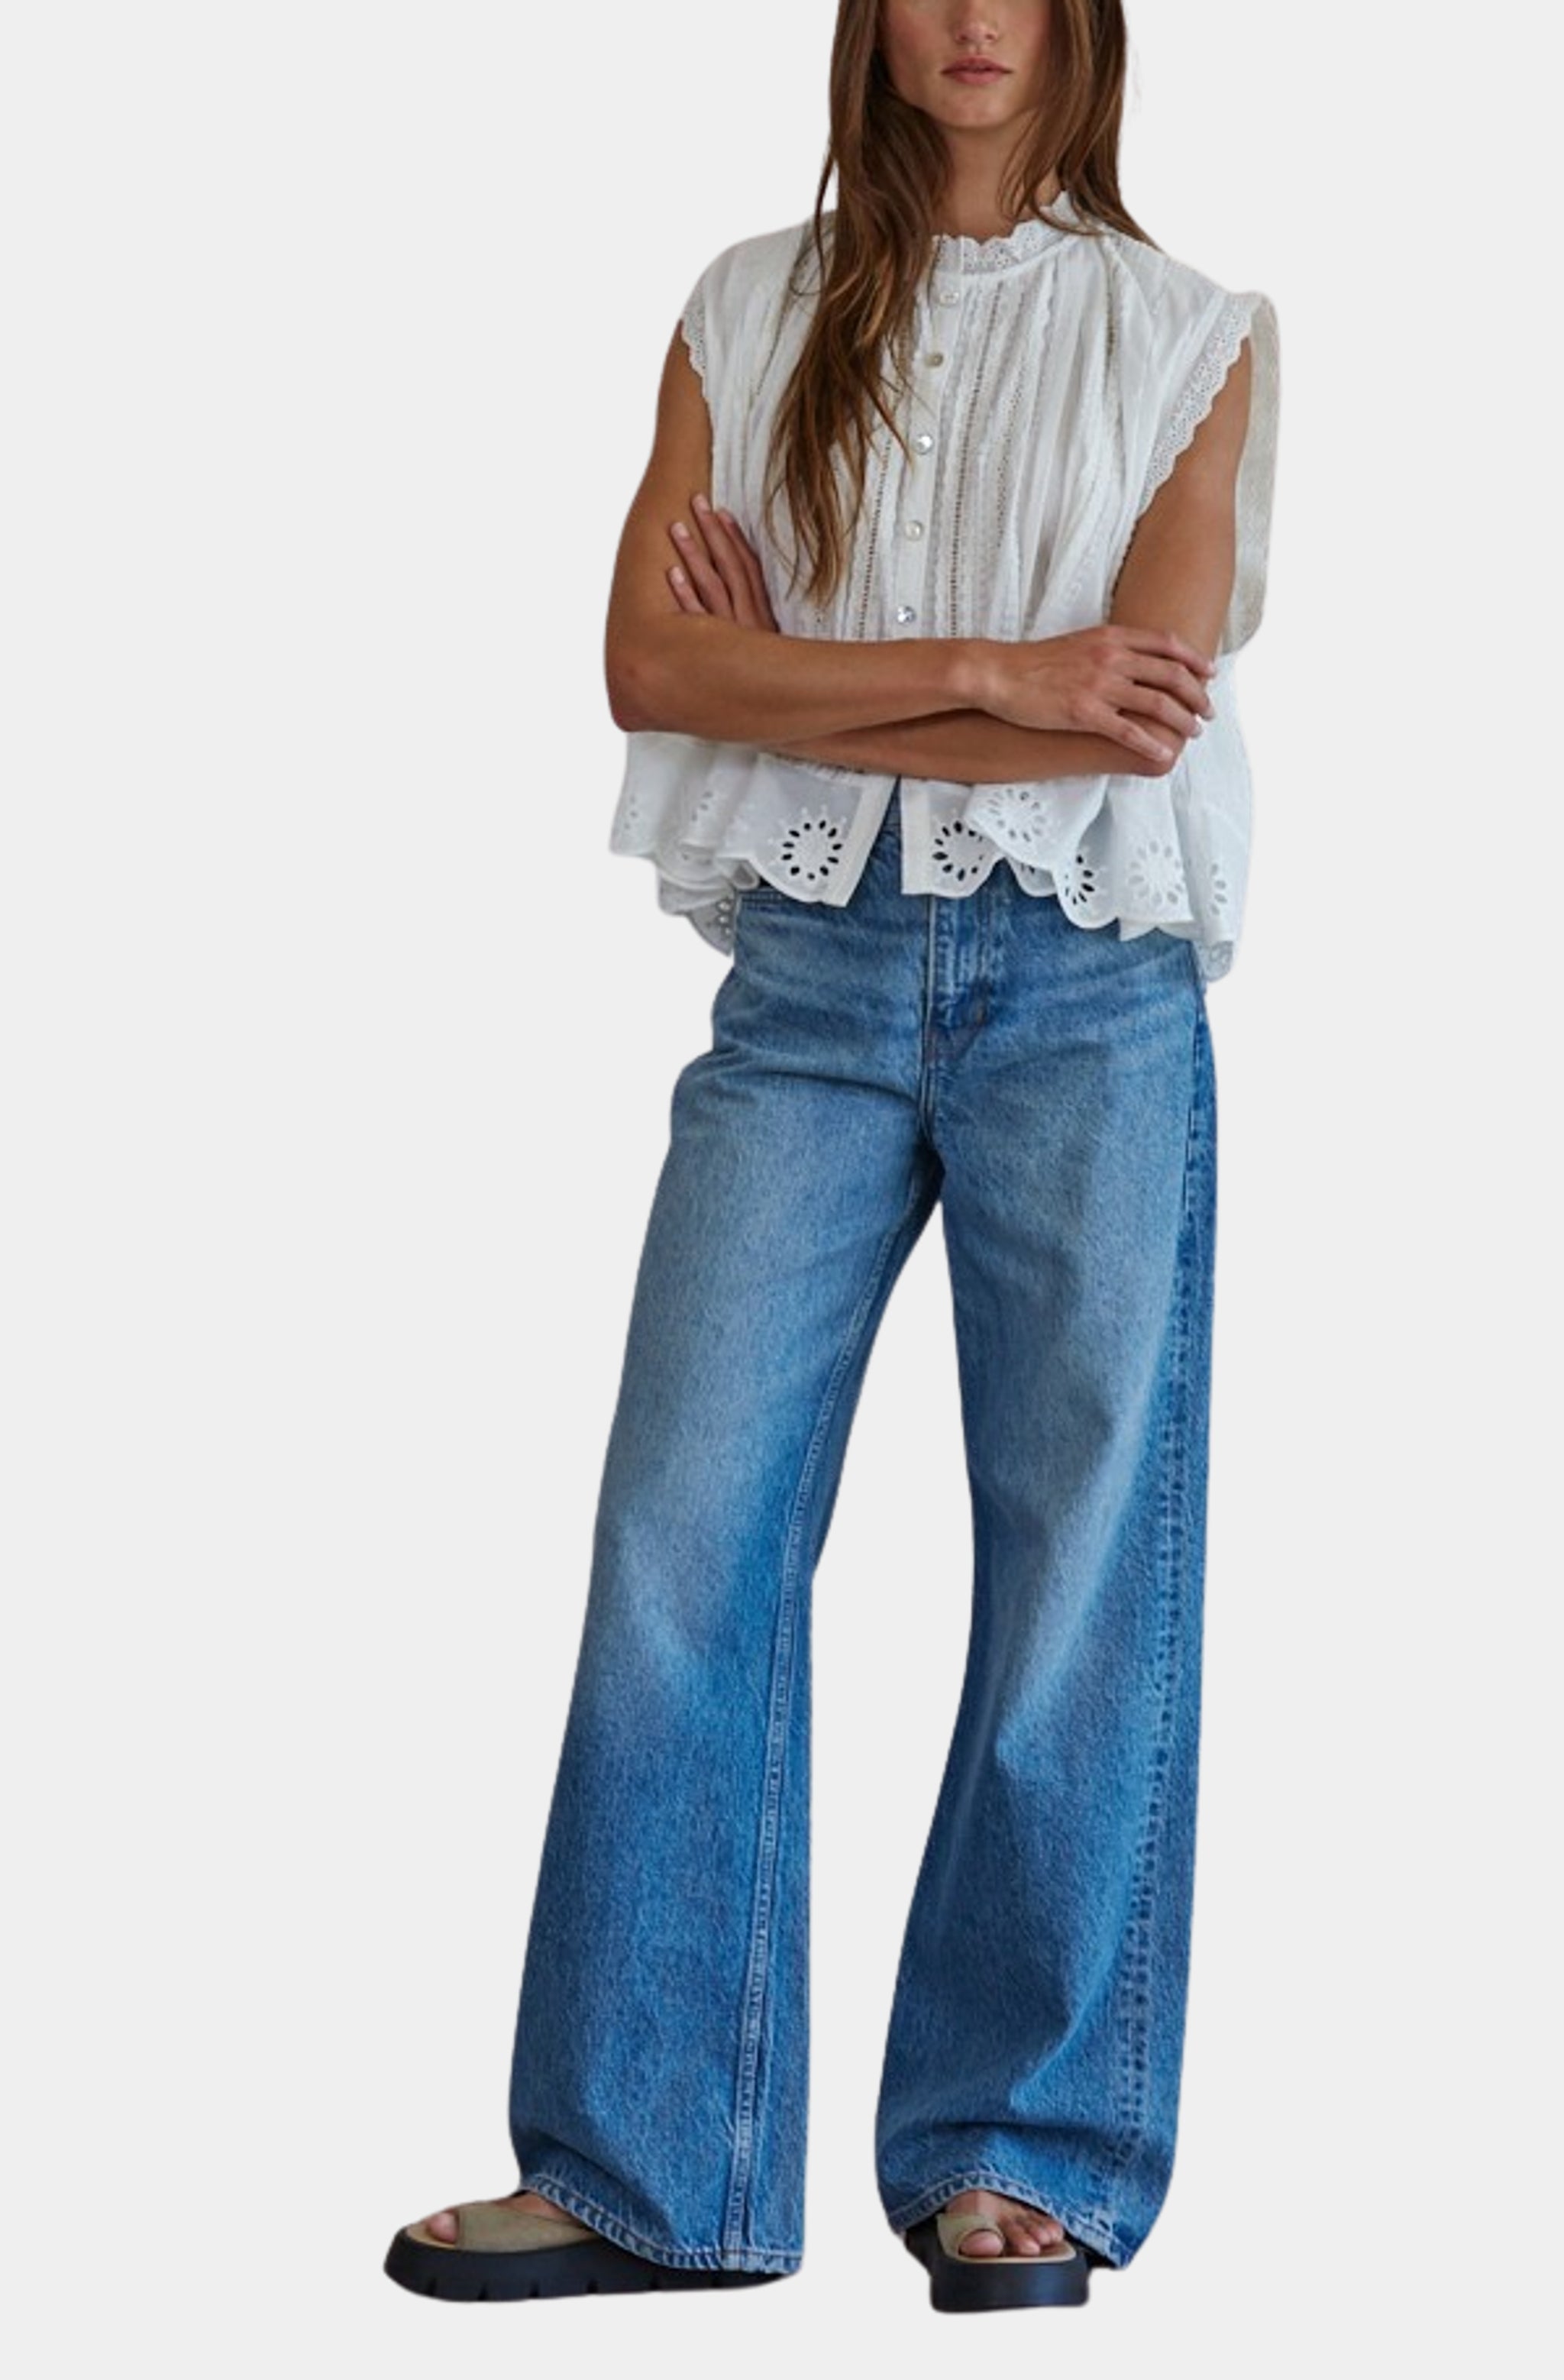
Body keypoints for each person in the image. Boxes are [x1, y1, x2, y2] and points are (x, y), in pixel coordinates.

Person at [385, 0, 1279, 2316]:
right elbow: (652, 675)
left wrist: (828, 677)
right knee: (684, 1526)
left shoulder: (1194, 338)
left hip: (1089, 990)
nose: (972, 19)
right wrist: (1009, 670)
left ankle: (1019, 2151)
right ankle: (648, 2162)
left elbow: (1141, 705)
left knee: (1079, 1563)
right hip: (808, 984)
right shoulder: (741, 310)